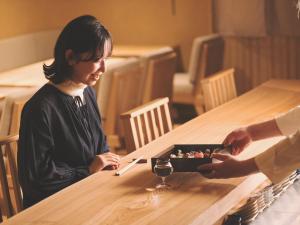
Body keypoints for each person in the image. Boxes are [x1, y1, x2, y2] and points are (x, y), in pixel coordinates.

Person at [18, 15, 121, 208]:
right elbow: (35, 179)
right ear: (71, 57)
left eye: (106, 59)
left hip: (89, 196)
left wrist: (106, 160)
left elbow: (100, 145)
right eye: (98, 60)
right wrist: (88, 169)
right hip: (52, 209)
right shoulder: (40, 108)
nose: (104, 68)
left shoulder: (87, 92)